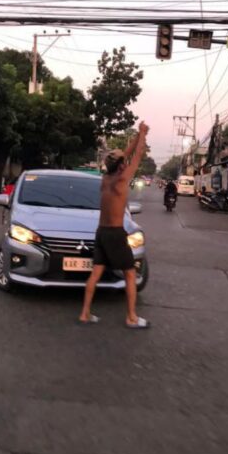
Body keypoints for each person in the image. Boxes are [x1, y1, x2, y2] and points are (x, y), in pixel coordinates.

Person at [78, 121, 150, 330]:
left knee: (96, 273)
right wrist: (143, 135)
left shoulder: (106, 179)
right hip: (116, 234)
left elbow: (125, 155)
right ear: (121, 166)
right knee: (130, 273)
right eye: (123, 163)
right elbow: (135, 156)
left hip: (101, 232)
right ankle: (132, 317)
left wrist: (137, 135)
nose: (126, 164)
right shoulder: (122, 179)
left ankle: (85, 313)